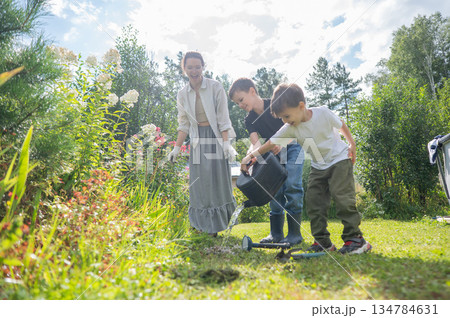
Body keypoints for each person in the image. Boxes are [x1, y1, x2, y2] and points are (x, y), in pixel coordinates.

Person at [240, 83, 372, 254]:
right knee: (314, 202)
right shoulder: (290, 127)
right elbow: (269, 144)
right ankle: (323, 242)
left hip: (339, 159)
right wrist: (249, 157)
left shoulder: (323, 113)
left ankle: (355, 239)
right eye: (282, 118)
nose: (285, 121)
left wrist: (352, 144)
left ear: (301, 106)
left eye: (286, 116)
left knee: (343, 198)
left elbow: (341, 125)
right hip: (319, 166)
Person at [168, 51, 237, 237]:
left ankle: (216, 227)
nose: (194, 70)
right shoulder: (182, 94)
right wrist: (176, 147)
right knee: (199, 184)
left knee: (217, 182)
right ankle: (201, 225)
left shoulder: (215, 87)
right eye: (190, 67)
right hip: (197, 140)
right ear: (184, 69)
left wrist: (226, 144)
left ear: (203, 67)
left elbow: (223, 118)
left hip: (216, 138)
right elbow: (183, 123)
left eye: (197, 66)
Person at [229, 78, 304, 245]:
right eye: (237, 103)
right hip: (272, 155)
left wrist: (282, 143)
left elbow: (294, 127)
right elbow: (255, 144)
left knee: (292, 185)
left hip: (292, 148)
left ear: (252, 91)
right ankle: (275, 234)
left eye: (241, 100)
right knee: (274, 191)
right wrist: (249, 156)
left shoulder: (276, 104)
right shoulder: (249, 120)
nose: (240, 105)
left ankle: (294, 233)